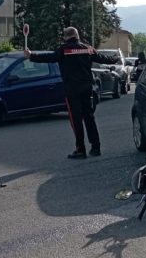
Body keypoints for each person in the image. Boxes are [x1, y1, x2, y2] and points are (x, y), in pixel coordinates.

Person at [24, 26, 118, 159]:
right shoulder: (87, 48)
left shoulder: (64, 50)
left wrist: (31, 56)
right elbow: (103, 58)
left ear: (65, 37)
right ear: (77, 35)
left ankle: (80, 150)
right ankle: (95, 147)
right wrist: (115, 58)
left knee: (76, 120)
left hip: (72, 90)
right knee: (89, 117)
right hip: (87, 88)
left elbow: (49, 57)